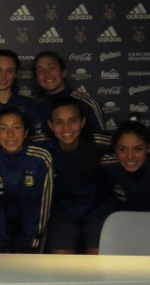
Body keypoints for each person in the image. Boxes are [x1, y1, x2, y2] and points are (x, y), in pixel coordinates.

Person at [39, 97, 113, 254]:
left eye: (73, 120)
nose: (66, 127)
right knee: (61, 263)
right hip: (62, 213)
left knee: (99, 261)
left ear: (83, 122)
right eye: (59, 122)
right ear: (51, 125)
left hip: (96, 211)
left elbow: (133, 145)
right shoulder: (43, 147)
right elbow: (15, 145)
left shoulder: (99, 143)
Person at [0, 107, 53, 253]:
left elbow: (39, 206)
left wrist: (29, 241)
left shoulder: (40, 159)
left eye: (16, 127)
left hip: (29, 237)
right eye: (3, 128)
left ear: (25, 132)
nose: (10, 134)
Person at [100, 120, 150, 215]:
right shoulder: (107, 165)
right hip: (125, 221)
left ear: (149, 147)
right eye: (122, 149)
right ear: (115, 149)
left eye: (138, 149)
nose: (130, 156)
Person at [32, 51, 103, 139]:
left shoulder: (86, 103)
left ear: (64, 72)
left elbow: (100, 140)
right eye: (40, 71)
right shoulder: (34, 107)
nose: (47, 74)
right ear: (36, 78)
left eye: (52, 68)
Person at [0, 50, 37, 147]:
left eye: (9, 71)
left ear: (16, 74)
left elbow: (34, 141)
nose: (3, 76)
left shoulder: (28, 105)